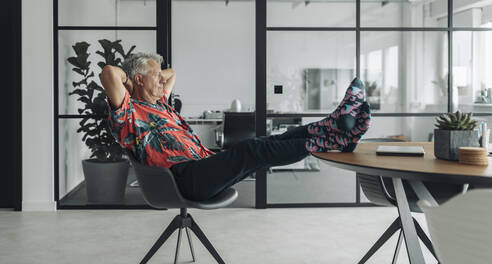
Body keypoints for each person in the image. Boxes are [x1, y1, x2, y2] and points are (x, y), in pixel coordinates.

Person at [100, 52, 372, 201]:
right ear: (136, 80)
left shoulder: (161, 103)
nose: (163, 81)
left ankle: (333, 127)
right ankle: (334, 140)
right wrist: (131, 81)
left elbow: (172, 74)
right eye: (156, 78)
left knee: (267, 142)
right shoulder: (128, 113)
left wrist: (151, 75)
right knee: (252, 148)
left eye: (161, 79)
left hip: (204, 165)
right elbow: (110, 73)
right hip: (184, 179)